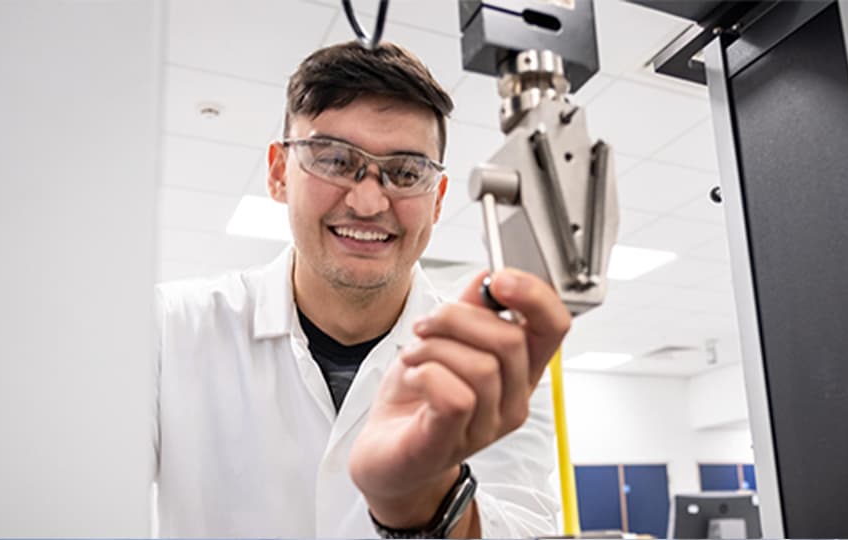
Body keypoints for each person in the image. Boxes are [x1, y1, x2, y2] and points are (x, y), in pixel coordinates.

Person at [153, 41, 571, 538]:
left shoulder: (490, 363)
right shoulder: (167, 329)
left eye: (406, 172)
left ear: (437, 200)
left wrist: (425, 503)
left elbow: (528, 529)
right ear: (279, 172)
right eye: (332, 159)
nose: (370, 201)